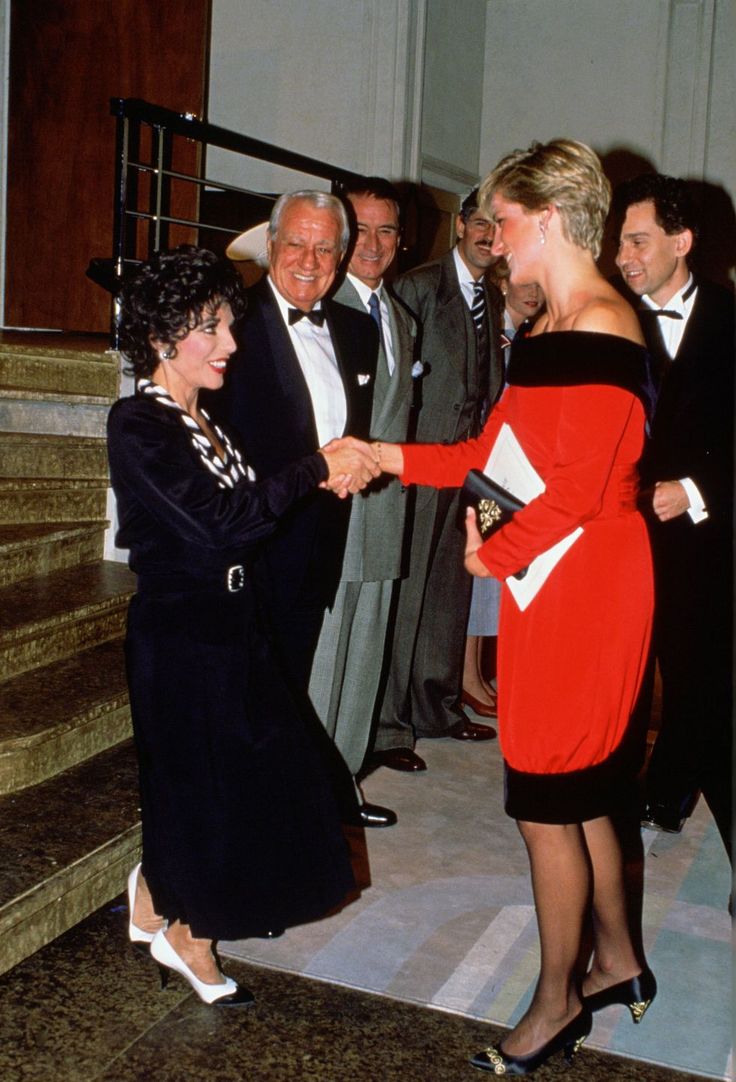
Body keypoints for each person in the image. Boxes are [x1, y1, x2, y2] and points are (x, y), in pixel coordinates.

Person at [375, 140, 657, 1075]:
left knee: (547, 801)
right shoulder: (547, 329)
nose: (491, 241)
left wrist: (490, 552)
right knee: (579, 796)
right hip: (550, 576)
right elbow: (487, 458)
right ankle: (614, 960)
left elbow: (577, 494)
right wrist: (386, 459)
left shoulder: (605, 326)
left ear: (543, 219)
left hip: (587, 584)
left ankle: (557, 1001)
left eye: (500, 223)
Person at [108, 246, 380, 1006]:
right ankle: (191, 935)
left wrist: (313, 479)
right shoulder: (138, 424)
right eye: (214, 330)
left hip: (232, 624)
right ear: (165, 339)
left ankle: (159, 901)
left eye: (229, 325)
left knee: (238, 783)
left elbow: (248, 520)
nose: (230, 343)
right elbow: (221, 523)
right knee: (206, 790)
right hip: (181, 634)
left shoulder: (207, 422)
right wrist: (313, 469)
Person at [214, 191, 395, 829]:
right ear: (271, 246)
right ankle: (231, 848)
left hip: (319, 547)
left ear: (342, 256)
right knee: (238, 707)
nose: (309, 260)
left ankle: (268, 840)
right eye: (296, 243)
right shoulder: (228, 323)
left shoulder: (355, 329)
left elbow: (350, 434)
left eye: (325, 248)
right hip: (249, 548)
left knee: (289, 692)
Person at [614, 174, 733, 858]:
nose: (625, 255)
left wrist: (692, 488)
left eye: (639, 240)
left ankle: (671, 791)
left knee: (699, 676)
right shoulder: (611, 318)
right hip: (618, 533)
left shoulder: (729, 318)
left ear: (682, 242)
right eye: (620, 240)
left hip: (702, 537)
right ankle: (623, 793)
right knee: (622, 671)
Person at [373, 187, 505, 766]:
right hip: (419, 463)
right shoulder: (420, 288)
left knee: (450, 593)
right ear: (459, 224)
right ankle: (391, 727)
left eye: (499, 224)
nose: (487, 234)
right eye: (479, 220)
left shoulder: (492, 298)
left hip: (467, 468)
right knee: (406, 596)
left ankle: (437, 706)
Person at [306, 177, 421, 803]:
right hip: (335, 512)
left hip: (385, 515)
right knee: (327, 654)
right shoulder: (324, 308)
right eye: (362, 230)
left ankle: (342, 782)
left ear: (401, 242)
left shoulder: (401, 317)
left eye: (387, 230)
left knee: (367, 651)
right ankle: (311, 788)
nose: (373, 244)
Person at [461, 264, 546, 718]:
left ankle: (476, 671)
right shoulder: (489, 338)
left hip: (513, 471)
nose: (532, 292)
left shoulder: (529, 338)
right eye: (522, 283)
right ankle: (467, 676)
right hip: (482, 469)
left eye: (539, 285)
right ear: (499, 285)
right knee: (479, 578)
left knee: (495, 578)